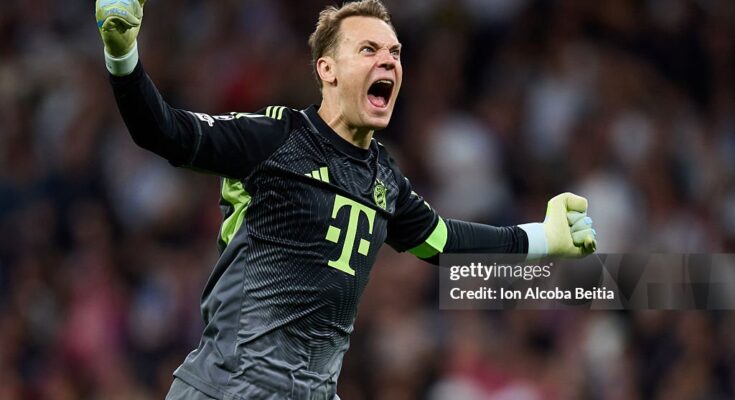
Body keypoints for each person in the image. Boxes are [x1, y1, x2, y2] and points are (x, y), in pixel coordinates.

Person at [95, 0, 597, 398]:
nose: (388, 61)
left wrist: (542, 237)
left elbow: (443, 242)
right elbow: (165, 132)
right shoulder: (275, 138)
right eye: (369, 50)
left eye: (395, 53)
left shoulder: (386, 178)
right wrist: (123, 56)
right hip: (231, 388)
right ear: (328, 70)